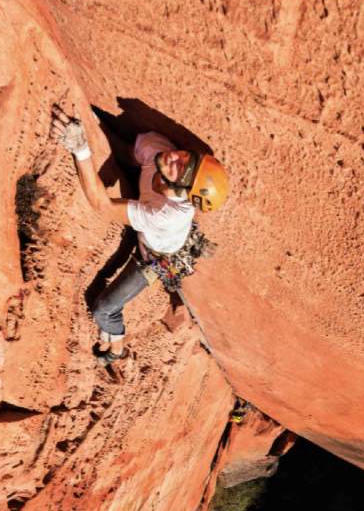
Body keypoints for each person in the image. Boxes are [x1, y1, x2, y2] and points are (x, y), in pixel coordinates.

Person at [50, 105, 229, 364]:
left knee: (104, 309)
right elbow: (130, 155)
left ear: (180, 194)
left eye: (182, 171)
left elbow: (102, 205)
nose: (175, 158)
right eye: (186, 158)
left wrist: (79, 147)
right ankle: (111, 342)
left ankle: (116, 350)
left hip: (155, 259)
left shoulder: (164, 215)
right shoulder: (157, 147)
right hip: (157, 236)